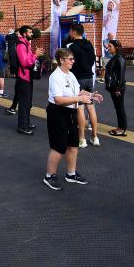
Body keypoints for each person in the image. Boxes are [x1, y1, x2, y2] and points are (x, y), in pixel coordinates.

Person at [43, 47, 104, 190]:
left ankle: (71, 174)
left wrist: (91, 95)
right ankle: (49, 176)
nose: (73, 61)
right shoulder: (55, 77)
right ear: (61, 60)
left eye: (73, 59)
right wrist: (79, 98)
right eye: (70, 59)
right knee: (58, 147)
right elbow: (58, 100)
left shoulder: (71, 74)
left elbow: (78, 91)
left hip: (71, 112)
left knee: (73, 144)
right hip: (58, 112)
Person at [66, 23, 99, 146]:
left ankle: (82, 139)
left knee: (80, 107)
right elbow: (92, 60)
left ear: (74, 32)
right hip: (89, 77)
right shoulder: (89, 44)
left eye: (70, 31)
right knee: (90, 106)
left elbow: (68, 62)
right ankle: (95, 137)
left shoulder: (70, 45)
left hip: (77, 78)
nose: (69, 33)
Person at [14, 25, 40, 135]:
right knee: (24, 103)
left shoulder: (26, 44)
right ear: (24, 34)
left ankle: (26, 122)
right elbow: (25, 62)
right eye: (30, 32)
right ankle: (22, 126)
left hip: (27, 76)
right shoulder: (21, 45)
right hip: (23, 76)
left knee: (28, 102)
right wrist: (36, 55)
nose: (32, 34)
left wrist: (35, 55)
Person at [104, 40, 127, 136]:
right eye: (108, 46)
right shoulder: (115, 57)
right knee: (118, 107)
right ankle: (120, 127)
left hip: (118, 87)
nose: (108, 48)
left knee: (120, 107)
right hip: (114, 87)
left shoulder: (119, 58)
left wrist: (118, 88)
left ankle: (122, 129)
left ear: (116, 47)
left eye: (110, 46)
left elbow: (121, 75)